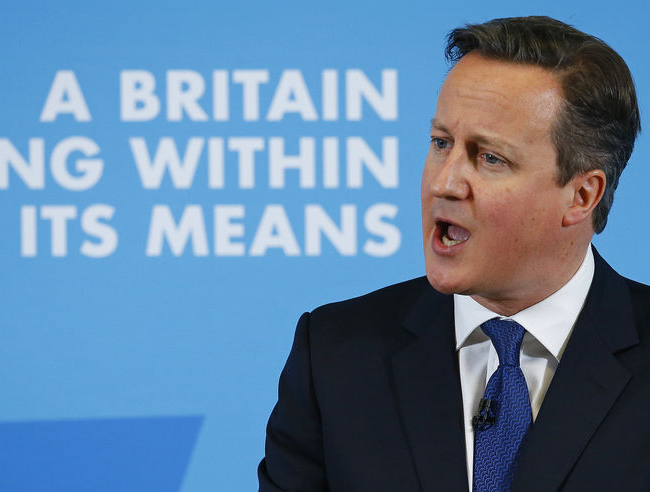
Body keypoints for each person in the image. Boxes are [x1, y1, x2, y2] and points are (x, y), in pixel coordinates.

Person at [258, 16, 648, 492]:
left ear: (581, 196)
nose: (443, 182)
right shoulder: (335, 356)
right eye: (441, 144)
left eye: (490, 158)